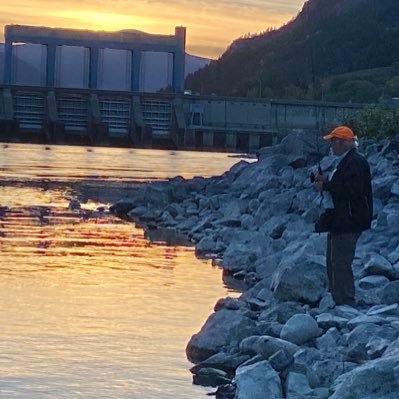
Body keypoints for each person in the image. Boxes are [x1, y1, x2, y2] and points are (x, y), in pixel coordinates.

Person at [313, 126, 373, 306]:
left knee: (341, 263)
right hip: (340, 219)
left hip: (350, 220)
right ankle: (337, 300)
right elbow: (343, 186)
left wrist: (326, 186)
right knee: (333, 262)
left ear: (341, 142)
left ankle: (346, 302)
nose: (331, 145)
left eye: (333, 141)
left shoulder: (355, 162)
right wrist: (325, 183)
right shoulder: (346, 161)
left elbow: (352, 190)